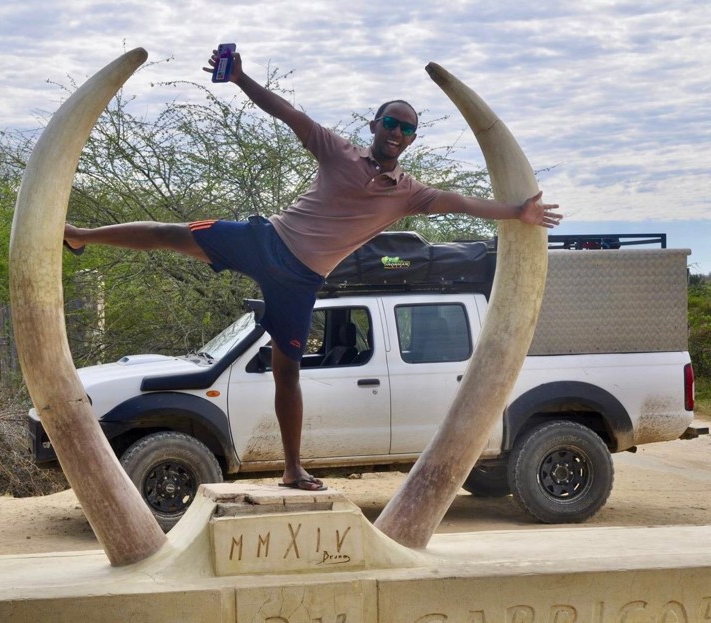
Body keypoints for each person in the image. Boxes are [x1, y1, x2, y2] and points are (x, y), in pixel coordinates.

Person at [64, 48, 563, 492]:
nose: (397, 132)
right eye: (391, 122)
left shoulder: (409, 193)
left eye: (407, 128)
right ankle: (79, 236)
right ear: (374, 125)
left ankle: (292, 468)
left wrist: (518, 212)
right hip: (267, 242)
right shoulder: (336, 150)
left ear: (411, 141)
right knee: (170, 236)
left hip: (301, 282)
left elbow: (462, 203)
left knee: (288, 373)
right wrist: (239, 78)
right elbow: (287, 114)